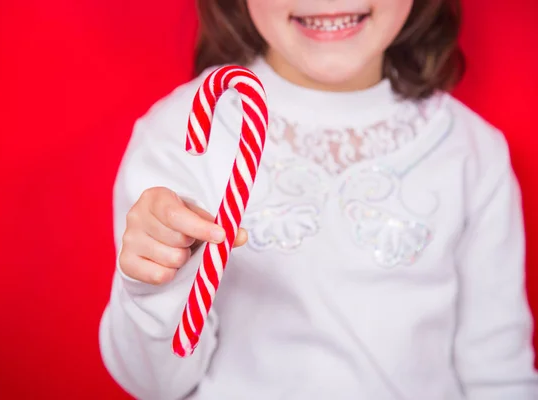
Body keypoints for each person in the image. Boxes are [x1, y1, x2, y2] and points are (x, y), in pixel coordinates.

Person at [98, 0, 538, 398]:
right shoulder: (186, 135)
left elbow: (498, 370)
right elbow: (155, 386)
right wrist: (158, 284)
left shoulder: (472, 151)